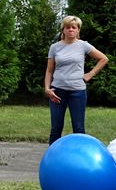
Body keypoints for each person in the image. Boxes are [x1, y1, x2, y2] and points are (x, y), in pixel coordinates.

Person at [44, 15, 109, 144]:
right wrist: (47, 89)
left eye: (74, 27)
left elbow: (103, 59)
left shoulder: (83, 46)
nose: (71, 30)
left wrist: (89, 75)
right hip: (57, 92)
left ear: (78, 30)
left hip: (77, 92)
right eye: (68, 27)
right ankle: (52, 158)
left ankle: (80, 157)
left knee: (78, 128)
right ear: (63, 30)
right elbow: (49, 70)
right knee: (56, 128)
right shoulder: (55, 47)